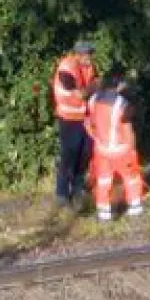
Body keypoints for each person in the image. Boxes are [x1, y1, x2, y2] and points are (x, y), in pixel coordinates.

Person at [84, 70, 146, 222]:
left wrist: (96, 138)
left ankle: (104, 212)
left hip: (102, 150)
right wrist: (132, 149)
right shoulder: (122, 104)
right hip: (121, 150)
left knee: (103, 180)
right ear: (118, 86)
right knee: (131, 178)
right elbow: (127, 130)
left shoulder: (93, 100)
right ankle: (135, 208)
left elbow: (87, 123)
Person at [51, 41, 97, 207]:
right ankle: (62, 193)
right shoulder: (66, 69)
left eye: (91, 54)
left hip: (85, 117)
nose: (90, 58)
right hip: (69, 118)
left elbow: (94, 86)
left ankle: (78, 188)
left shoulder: (89, 67)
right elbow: (81, 95)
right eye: (87, 54)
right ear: (78, 55)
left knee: (85, 153)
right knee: (69, 155)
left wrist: (92, 88)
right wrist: (93, 88)